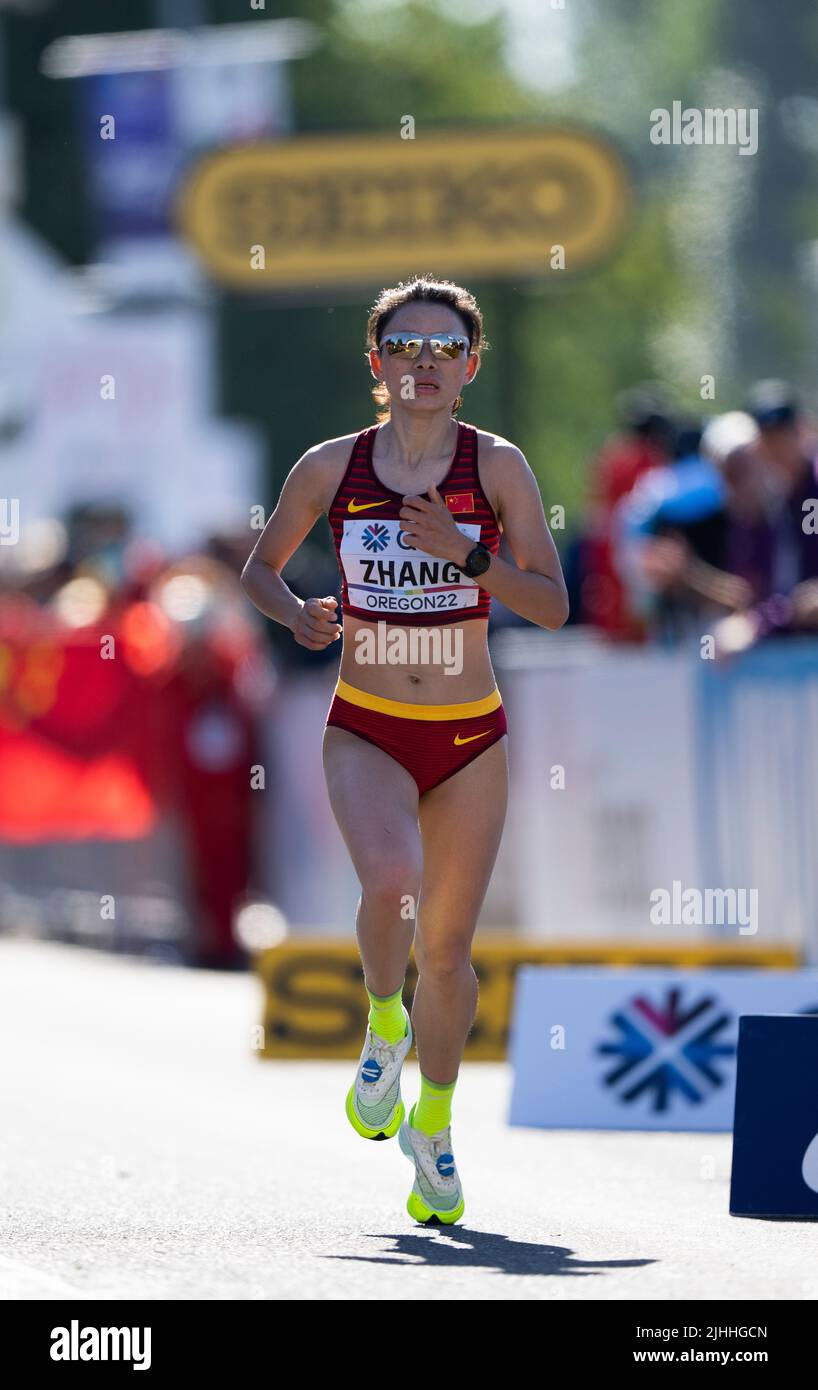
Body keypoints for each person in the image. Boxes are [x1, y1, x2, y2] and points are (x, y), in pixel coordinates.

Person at [240, 275, 568, 1225]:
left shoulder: (496, 466)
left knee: (453, 948)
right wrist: (298, 611)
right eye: (406, 347)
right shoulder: (329, 466)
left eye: (444, 349)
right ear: (376, 362)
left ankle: (432, 1124)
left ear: (470, 367)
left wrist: (466, 553)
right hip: (370, 724)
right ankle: (383, 1018)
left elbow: (551, 605)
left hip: (469, 736)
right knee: (392, 887)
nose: (424, 363)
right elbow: (258, 569)